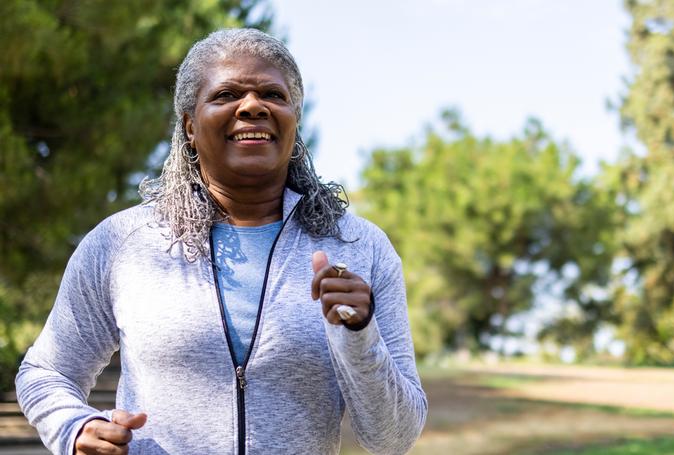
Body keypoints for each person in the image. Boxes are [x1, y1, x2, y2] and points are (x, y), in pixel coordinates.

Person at [15, 28, 427, 455]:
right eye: (226, 94)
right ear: (190, 126)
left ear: (294, 122)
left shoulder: (359, 247)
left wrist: (360, 333)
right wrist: (75, 429)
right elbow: (46, 372)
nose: (252, 106)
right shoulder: (123, 243)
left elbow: (392, 438)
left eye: (273, 94)